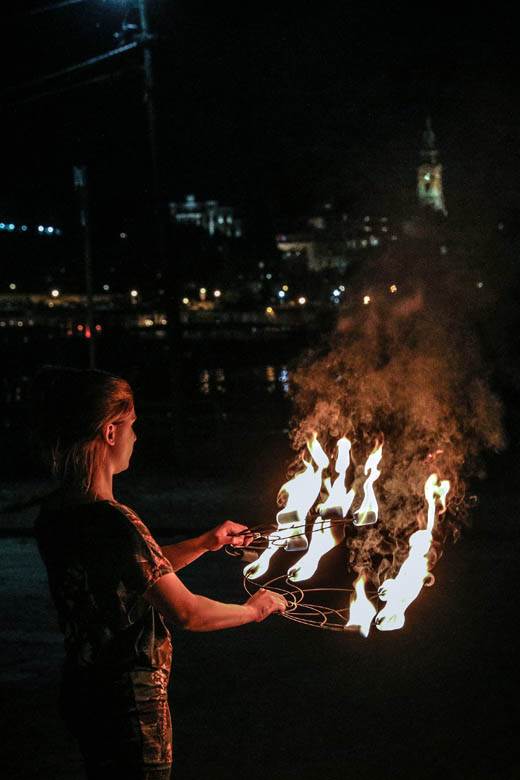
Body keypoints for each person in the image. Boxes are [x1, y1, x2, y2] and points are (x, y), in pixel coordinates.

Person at [32, 366, 286, 779]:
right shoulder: (114, 520)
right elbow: (187, 612)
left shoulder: (59, 514)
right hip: (131, 706)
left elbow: (131, 572)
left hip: (85, 693)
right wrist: (254, 610)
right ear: (110, 433)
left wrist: (206, 542)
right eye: (132, 426)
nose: (137, 436)